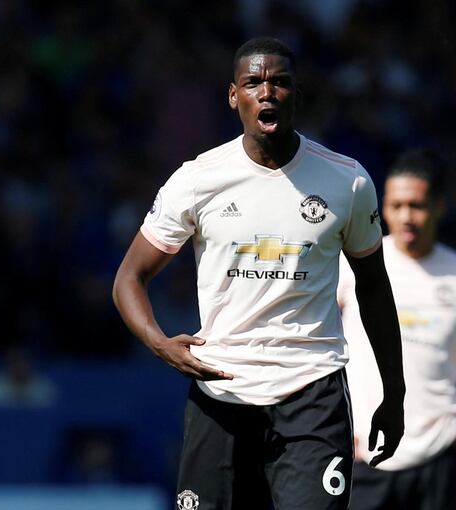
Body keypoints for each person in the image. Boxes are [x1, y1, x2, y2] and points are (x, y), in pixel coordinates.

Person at [112, 37, 405, 510]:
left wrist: (395, 393)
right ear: (234, 96)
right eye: (254, 82)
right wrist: (160, 344)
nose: (266, 92)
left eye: (280, 82)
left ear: (297, 95)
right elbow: (129, 277)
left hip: (312, 391)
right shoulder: (197, 179)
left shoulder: (347, 180)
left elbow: (374, 287)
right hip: (221, 390)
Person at [338, 149, 456, 510]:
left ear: (440, 207)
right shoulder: (352, 265)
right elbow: (312, 335)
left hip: (439, 460)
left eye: (417, 205)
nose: (406, 217)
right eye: (396, 206)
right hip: (364, 460)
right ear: (382, 206)